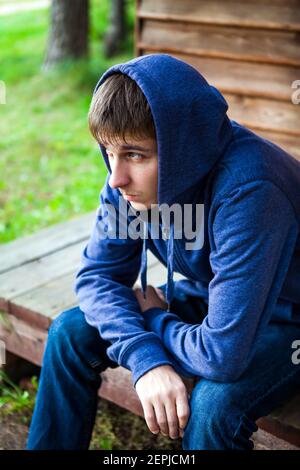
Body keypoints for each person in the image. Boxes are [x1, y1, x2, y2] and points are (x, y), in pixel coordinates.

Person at [27, 54, 300, 450]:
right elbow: (98, 276)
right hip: (222, 298)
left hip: (292, 321)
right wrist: (145, 358)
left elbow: (221, 355)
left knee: (213, 406)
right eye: (108, 151)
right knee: (69, 331)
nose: (116, 177)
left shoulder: (250, 190)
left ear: (180, 148)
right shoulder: (124, 180)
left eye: (135, 154)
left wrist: (153, 318)